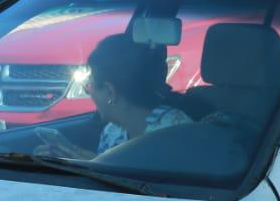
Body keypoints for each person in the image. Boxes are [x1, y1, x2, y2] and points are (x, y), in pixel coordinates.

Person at [39, 33, 190, 158]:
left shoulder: (176, 130)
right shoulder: (112, 131)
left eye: (89, 86)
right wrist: (90, 162)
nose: (88, 92)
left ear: (110, 91)